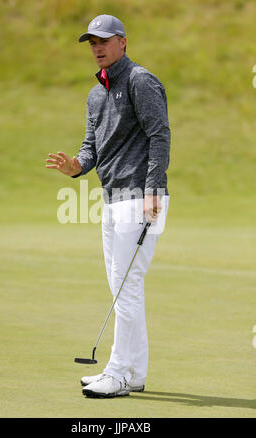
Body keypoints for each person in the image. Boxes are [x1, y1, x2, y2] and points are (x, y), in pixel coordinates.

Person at [45, 14, 171, 398]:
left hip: (139, 198)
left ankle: (116, 373)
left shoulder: (140, 80)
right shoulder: (96, 94)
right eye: (91, 42)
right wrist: (76, 167)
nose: (97, 48)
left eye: (104, 40)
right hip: (112, 198)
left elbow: (159, 134)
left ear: (123, 42)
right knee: (124, 287)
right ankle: (133, 371)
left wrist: (153, 188)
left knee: (125, 288)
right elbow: (91, 147)